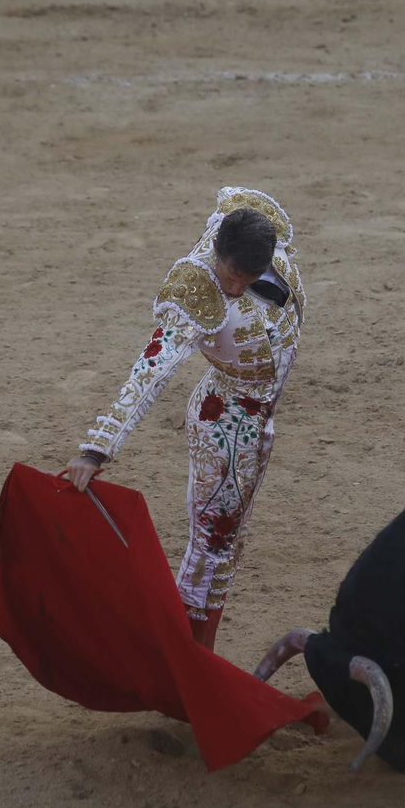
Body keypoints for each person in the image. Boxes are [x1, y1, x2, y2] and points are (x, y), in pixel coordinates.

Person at [62, 187, 306, 651]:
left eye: (245, 277)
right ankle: (185, 659)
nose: (233, 287)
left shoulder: (262, 237)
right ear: (218, 252)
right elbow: (150, 370)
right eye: (231, 275)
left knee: (227, 542)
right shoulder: (196, 289)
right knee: (213, 545)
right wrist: (96, 450)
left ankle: (188, 657)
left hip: (257, 423)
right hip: (226, 421)